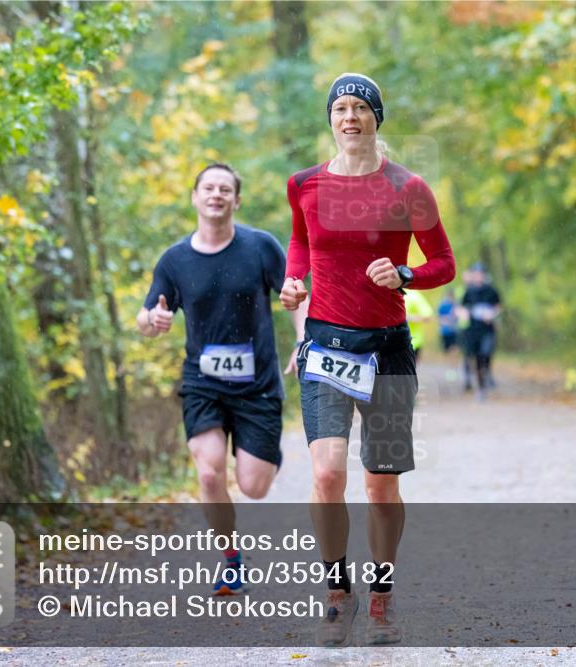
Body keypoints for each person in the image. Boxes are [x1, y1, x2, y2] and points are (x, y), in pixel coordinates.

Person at [280, 72, 455, 646]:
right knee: (328, 472)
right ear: (329, 119)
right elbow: (303, 241)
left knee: (381, 486)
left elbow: (443, 264)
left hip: (387, 349)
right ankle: (336, 588)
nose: (349, 116)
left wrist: (404, 272)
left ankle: (381, 587)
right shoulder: (304, 184)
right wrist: (294, 281)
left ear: (377, 118)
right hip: (326, 345)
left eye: (361, 107)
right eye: (340, 108)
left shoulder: (409, 187)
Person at [137, 163, 305, 595]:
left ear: (236, 201)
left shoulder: (260, 247)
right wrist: (152, 320)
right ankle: (231, 561)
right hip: (203, 383)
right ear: (195, 197)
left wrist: (305, 339)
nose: (216, 194)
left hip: (259, 385)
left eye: (225, 189)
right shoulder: (175, 260)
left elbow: (296, 293)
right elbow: (149, 311)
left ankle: (263, 456)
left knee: (253, 487)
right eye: (208, 188)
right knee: (209, 474)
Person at [459, 263, 502, 398]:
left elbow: (499, 306)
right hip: (473, 330)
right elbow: (461, 307)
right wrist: (464, 313)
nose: (479, 276)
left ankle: (487, 374)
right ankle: (481, 388)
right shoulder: (469, 291)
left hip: (487, 329)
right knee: (477, 358)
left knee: (486, 353)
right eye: (476, 274)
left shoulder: (491, 290)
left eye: (481, 274)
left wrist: (492, 314)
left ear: (484, 275)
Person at [404, 289, 434, 364]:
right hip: (391, 342)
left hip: (413, 342)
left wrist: (410, 318)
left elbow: (428, 316)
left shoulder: (414, 295)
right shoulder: (388, 291)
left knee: (405, 373)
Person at [437, 289, 458, 353]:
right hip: (445, 330)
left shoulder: (454, 304)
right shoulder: (443, 305)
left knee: (454, 348)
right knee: (446, 349)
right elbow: (439, 317)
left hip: (453, 330)